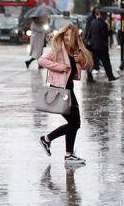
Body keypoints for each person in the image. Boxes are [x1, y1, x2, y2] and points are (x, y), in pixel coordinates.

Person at [38, 24, 94, 164]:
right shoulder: (57, 48)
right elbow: (42, 60)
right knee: (75, 122)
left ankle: (64, 152)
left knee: (74, 122)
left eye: (71, 36)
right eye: (66, 35)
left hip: (69, 89)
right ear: (63, 35)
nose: (68, 38)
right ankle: (48, 141)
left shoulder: (75, 50)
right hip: (59, 90)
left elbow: (88, 65)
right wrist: (61, 67)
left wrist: (81, 60)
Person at [90, 12, 118, 81]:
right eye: (106, 16)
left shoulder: (93, 22)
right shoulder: (103, 24)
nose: (106, 18)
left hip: (93, 46)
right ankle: (110, 77)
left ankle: (89, 77)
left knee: (92, 62)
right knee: (106, 63)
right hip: (102, 47)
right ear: (103, 16)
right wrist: (110, 32)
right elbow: (104, 35)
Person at [83, 6, 101, 82]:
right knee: (90, 60)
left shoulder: (98, 18)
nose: (98, 11)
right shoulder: (91, 18)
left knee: (93, 59)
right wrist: (86, 40)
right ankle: (89, 77)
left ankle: (90, 76)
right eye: (97, 10)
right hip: (90, 42)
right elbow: (87, 29)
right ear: (94, 10)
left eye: (99, 10)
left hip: (95, 42)